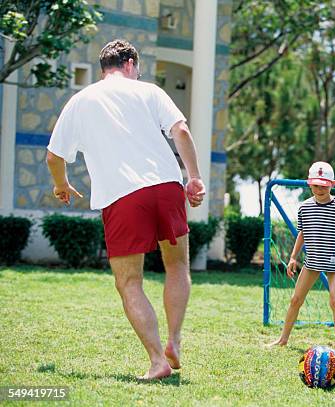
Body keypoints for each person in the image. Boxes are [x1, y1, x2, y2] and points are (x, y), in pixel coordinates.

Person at [46, 39, 205, 380]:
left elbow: (53, 156)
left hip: (122, 197)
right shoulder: (150, 91)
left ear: (105, 67)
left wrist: (60, 184)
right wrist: (193, 178)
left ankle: (156, 360)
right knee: (177, 266)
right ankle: (174, 341)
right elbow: (181, 130)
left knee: (129, 281)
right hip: (166, 187)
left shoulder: (81, 100)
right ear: (131, 63)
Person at [268, 162, 335, 355]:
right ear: (309, 184)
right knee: (295, 299)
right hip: (313, 261)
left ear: (332, 184)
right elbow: (302, 233)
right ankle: (283, 339)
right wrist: (293, 257)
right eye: (316, 185)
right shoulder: (305, 208)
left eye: (324, 185)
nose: (320, 189)